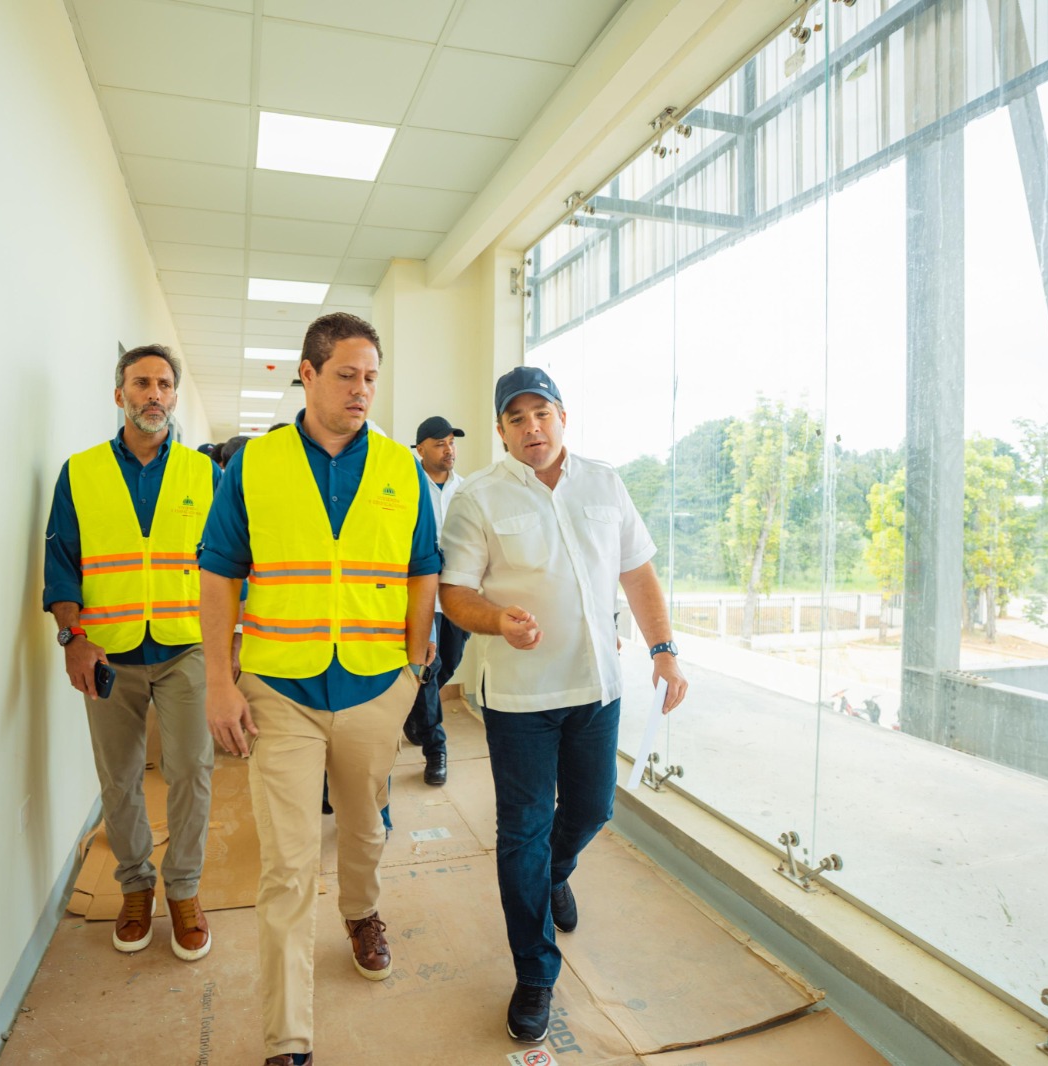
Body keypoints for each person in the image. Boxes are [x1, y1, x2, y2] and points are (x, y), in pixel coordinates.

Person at [198, 312, 439, 1066]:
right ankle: (289, 1039)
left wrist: (412, 670)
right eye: (347, 375)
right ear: (306, 373)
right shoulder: (256, 465)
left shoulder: (402, 468)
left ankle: (363, 912)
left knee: (366, 833)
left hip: (374, 690)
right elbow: (218, 573)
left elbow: (422, 568)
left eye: (371, 377)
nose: (362, 390)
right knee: (288, 863)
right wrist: (217, 680)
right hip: (281, 692)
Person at [438, 366, 689, 1044]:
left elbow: (637, 571)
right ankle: (535, 972)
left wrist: (663, 648)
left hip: (597, 687)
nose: (531, 428)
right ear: (500, 430)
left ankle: (553, 873)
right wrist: (496, 621)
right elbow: (454, 592)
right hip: (521, 698)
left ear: (562, 417)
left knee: (593, 806)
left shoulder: (604, 483)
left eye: (541, 414)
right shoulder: (479, 499)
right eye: (516, 419)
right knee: (521, 827)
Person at [42, 343, 222, 963]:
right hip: (108, 651)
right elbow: (61, 563)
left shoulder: (204, 473)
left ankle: (185, 891)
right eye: (141, 383)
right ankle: (136, 887)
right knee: (118, 778)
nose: (154, 394)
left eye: (164, 384)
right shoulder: (82, 471)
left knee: (192, 770)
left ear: (174, 396)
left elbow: (225, 565)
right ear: (119, 394)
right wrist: (73, 637)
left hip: (184, 646)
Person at [402, 415, 471, 787]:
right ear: (421, 449)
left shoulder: (466, 489)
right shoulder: (409, 486)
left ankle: (416, 717)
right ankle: (436, 749)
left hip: (458, 595)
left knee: (449, 664)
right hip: (422, 594)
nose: (449, 450)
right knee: (429, 669)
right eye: (441, 443)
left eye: (452, 442)